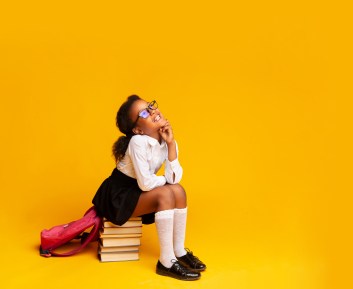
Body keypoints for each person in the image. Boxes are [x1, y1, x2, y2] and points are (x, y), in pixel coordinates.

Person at [92, 95, 206, 281]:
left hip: (138, 190)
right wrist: (165, 181)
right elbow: (146, 183)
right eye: (144, 113)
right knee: (166, 194)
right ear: (137, 129)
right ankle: (166, 262)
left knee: (179, 191)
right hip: (119, 196)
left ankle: (179, 251)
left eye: (151, 106)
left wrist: (170, 144)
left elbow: (174, 178)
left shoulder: (167, 140)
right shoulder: (137, 142)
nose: (153, 111)